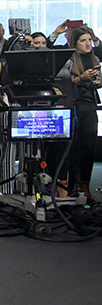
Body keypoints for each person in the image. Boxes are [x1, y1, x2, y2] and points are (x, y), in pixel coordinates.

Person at [58, 26, 100, 197]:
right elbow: (64, 84)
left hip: (89, 104)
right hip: (73, 104)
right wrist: (80, 79)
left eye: (89, 40)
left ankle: (85, 184)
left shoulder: (94, 57)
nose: (88, 43)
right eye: (83, 40)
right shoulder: (68, 59)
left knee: (88, 146)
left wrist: (96, 82)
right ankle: (72, 186)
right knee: (74, 147)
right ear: (75, 43)